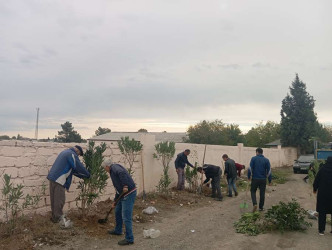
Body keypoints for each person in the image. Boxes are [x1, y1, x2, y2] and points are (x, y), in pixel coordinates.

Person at [47, 145, 90, 225]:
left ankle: (54, 218)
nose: (78, 156)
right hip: (59, 179)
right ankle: (59, 220)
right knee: (60, 200)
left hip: (52, 177)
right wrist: (88, 175)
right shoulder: (71, 154)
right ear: (77, 151)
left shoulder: (64, 152)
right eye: (79, 154)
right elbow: (77, 167)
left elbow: (72, 170)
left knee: (54, 199)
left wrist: (82, 176)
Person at [103, 159, 137, 246]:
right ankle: (118, 230)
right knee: (117, 211)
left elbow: (122, 173)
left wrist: (125, 185)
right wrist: (115, 201)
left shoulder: (114, 168)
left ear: (107, 166)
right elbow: (118, 190)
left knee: (126, 217)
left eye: (104, 168)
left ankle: (130, 239)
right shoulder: (112, 171)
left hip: (129, 193)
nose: (105, 170)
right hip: (122, 194)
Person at [248, 148, 272, 212]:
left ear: (257, 152)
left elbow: (250, 168)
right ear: (262, 152)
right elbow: (269, 171)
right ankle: (261, 207)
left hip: (255, 178)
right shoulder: (266, 160)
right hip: (263, 179)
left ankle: (255, 204)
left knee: (253, 191)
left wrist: (248, 176)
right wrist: (270, 180)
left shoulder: (253, 159)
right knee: (262, 193)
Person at [313, 156, 332, 236]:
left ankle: (321, 230)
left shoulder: (322, 170)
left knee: (322, 213)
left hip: (323, 195)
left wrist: (315, 189)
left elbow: (316, 180)